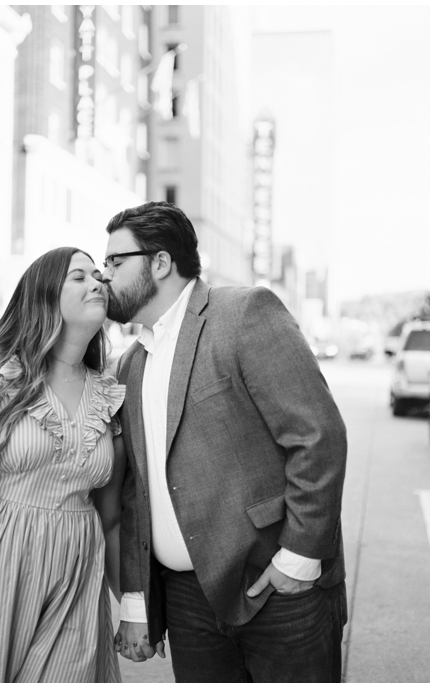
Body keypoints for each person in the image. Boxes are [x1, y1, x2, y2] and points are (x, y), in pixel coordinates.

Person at [101, 202, 347, 682]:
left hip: (276, 590)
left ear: (159, 262)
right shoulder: (132, 363)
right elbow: (137, 493)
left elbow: (318, 436)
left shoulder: (244, 313)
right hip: (188, 603)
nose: (104, 275)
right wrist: (136, 598)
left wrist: (298, 557)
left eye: (114, 261)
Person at [0, 247, 126, 682]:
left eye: (99, 275)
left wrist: (133, 607)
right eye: (79, 276)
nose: (97, 282)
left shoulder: (109, 395)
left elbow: (111, 517)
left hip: (75, 576)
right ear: (44, 295)